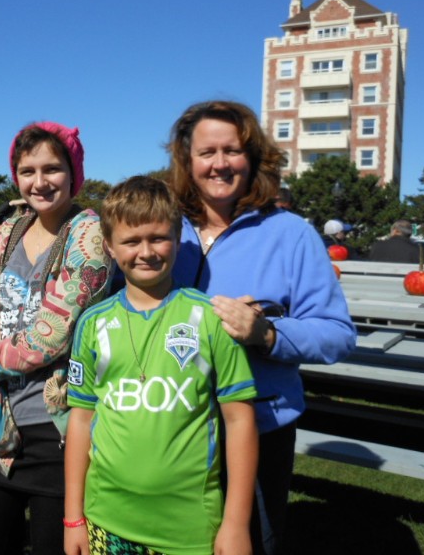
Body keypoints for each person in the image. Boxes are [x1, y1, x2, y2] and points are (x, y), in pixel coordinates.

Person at [168, 101, 356, 555]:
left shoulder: (291, 233)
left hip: (257, 427)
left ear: (252, 158)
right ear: (186, 161)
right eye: (206, 152)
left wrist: (267, 335)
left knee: (247, 543)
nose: (219, 163)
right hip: (167, 425)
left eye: (231, 150)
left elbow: (337, 334)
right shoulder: (164, 228)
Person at [65, 176, 258, 555]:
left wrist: (235, 523)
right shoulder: (92, 323)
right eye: (131, 241)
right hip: (106, 519)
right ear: (109, 246)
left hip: (190, 529)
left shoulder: (210, 317)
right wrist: (73, 517)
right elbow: (80, 420)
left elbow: (239, 420)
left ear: (176, 237)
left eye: (158, 238)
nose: (146, 251)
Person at [0, 121, 112, 555]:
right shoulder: (6, 231)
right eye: (28, 170)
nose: (40, 181)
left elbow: (51, 336)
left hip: (58, 433)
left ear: (74, 173)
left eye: (52, 169)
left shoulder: (91, 233)